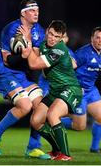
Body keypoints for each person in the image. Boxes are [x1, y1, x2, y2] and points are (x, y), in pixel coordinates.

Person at [0, 0, 50, 159]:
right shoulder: (11, 29)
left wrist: (28, 48)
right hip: (5, 72)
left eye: (37, 10)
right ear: (23, 13)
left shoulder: (39, 31)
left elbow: (34, 59)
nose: (36, 13)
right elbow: (8, 59)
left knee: (41, 106)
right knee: (25, 106)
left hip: (22, 73)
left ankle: (33, 147)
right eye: (32, 10)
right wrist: (24, 54)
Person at [21, 20, 82, 161]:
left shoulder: (58, 50)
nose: (52, 38)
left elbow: (34, 63)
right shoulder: (43, 44)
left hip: (70, 89)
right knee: (35, 121)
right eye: (51, 34)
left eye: (56, 36)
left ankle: (65, 155)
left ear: (61, 38)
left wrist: (28, 42)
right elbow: (34, 53)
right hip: (55, 91)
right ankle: (56, 150)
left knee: (53, 114)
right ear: (47, 31)